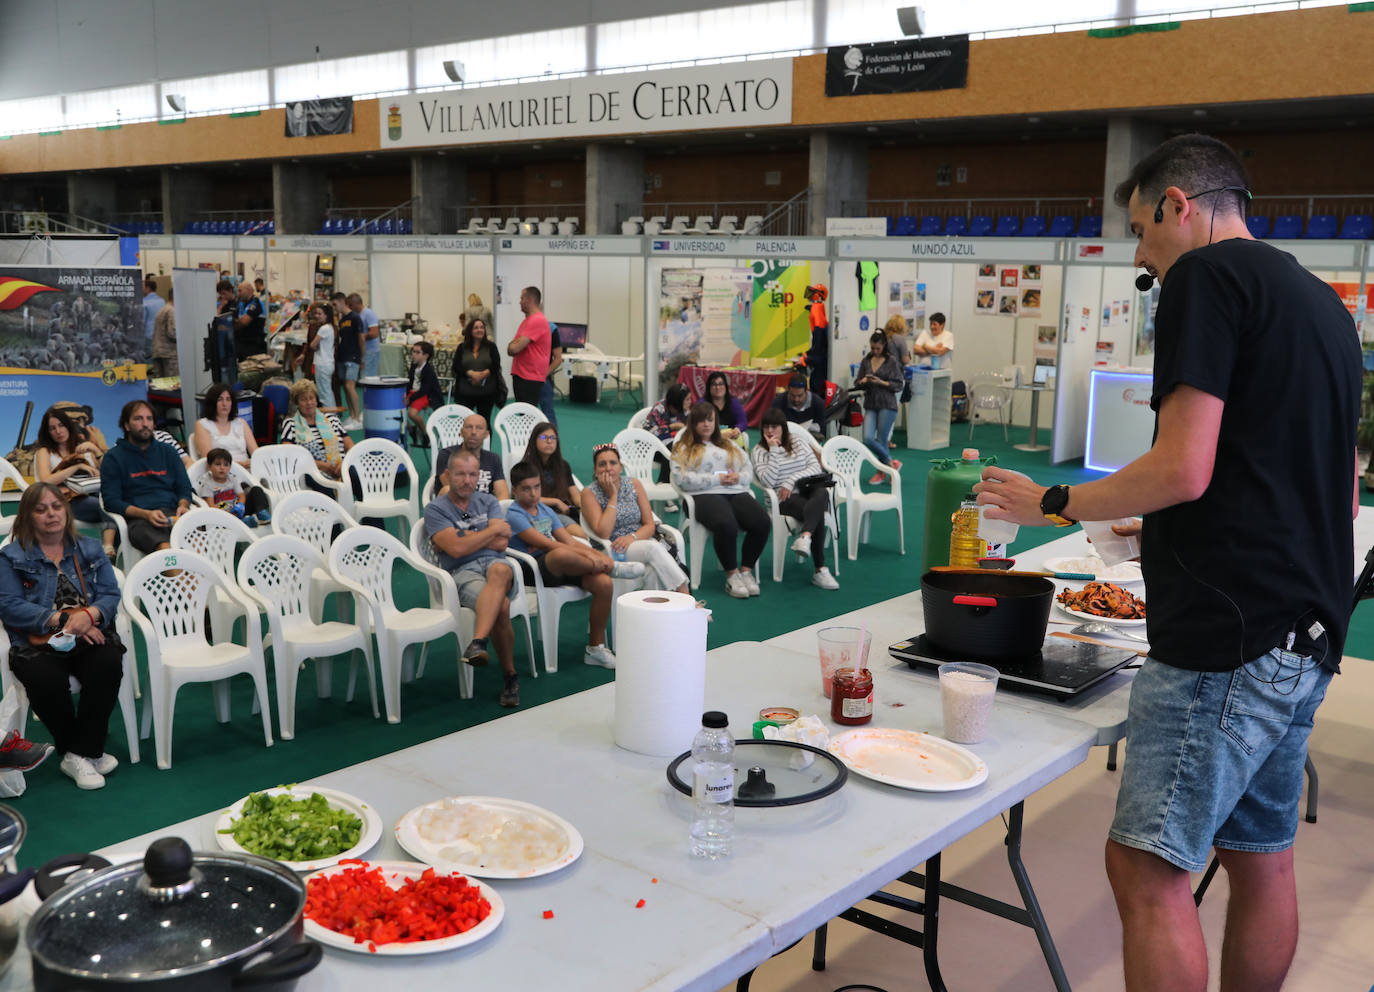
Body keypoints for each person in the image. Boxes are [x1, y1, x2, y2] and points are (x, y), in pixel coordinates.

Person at [972, 133, 1361, 992]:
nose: (1143, 259)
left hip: (1229, 636)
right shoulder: (1321, 303)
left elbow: (1183, 466)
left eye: (1144, 235)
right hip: (1307, 627)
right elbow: (1320, 479)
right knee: (1264, 857)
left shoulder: (1205, 278)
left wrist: (1054, 503)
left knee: (1148, 872)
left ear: (1179, 205)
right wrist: (1187, 533)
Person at [0, 484, 123, 789]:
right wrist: (64, 620)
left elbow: (110, 593)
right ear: (27, 516)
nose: (50, 514)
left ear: (66, 511)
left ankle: (80, 753)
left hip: (87, 633)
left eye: (56, 506)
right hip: (37, 641)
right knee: (44, 679)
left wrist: (90, 616)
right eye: (40, 509)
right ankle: (82, 752)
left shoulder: (91, 548)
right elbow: (9, 606)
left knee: (107, 661)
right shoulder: (10, 557)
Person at [507, 461, 642, 670]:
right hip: (534, 569)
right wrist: (598, 559)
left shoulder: (544, 509)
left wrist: (599, 556)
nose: (533, 494)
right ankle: (613, 567)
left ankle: (595, 649)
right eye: (526, 489)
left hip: (566, 563)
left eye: (537, 487)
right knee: (559, 552)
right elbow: (548, 544)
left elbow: (569, 541)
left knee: (604, 584)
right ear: (514, 490)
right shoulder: (514, 515)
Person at [422, 448, 520, 708]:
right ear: (447, 475)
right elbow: (456, 550)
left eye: (472, 475)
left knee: (500, 569)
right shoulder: (435, 510)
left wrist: (464, 538)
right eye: (460, 474)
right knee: (502, 605)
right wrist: (488, 531)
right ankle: (510, 676)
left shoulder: (487, 501)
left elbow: (501, 542)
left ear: (479, 476)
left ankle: (477, 642)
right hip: (462, 572)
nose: (467, 480)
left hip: (495, 564)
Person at [671, 402, 769, 599]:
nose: (706, 424)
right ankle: (732, 575)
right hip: (702, 495)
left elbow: (748, 470)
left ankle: (746, 571)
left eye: (710, 420)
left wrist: (738, 478)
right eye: (701, 421)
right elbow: (681, 480)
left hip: (734, 491)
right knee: (726, 524)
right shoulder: (684, 447)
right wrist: (716, 479)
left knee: (762, 522)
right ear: (693, 423)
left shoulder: (729, 444)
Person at [581, 443, 689, 595]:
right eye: (602, 464)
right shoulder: (589, 493)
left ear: (620, 467)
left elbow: (649, 525)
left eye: (613, 463)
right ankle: (685, 596)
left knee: (652, 570)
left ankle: (654, 613)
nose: (608, 468)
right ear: (595, 470)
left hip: (639, 541)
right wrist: (613, 497)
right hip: (612, 548)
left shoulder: (634, 484)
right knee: (653, 548)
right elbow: (604, 533)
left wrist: (632, 538)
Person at [752, 409, 838, 590]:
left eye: (774, 427)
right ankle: (820, 569)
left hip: (807, 490)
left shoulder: (798, 441)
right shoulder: (759, 451)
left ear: (783, 428)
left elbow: (815, 467)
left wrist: (791, 481)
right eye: (766, 427)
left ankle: (805, 537)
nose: (769, 431)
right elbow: (768, 481)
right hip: (782, 499)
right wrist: (774, 450)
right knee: (817, 513)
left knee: (822, 493)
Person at [100, 400, 192, 552]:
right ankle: (182, 576)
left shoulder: (168, 451)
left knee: (198, 544)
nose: (145, 424)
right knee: (166, 548)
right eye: (138, 419)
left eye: (149, 419)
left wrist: (183, 505)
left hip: (174, 513)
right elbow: (111, 501)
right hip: (139, 519)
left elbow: (184, 487)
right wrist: (146, 514)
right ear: (126, 425)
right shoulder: (114, 457)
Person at [34, 405, 117, 559]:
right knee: (109, 506)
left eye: (61, 425)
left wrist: (95, 449)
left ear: (68, 426)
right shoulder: (45, 452)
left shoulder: (82, 447)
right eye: (52, 428)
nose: (58, 431)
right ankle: (108, 548)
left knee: (113, 502)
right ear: (47, 432)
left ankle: (110, 551)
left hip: (96, 494)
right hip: (69, 501)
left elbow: (109, 472)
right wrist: (77, 466)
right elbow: (46, 480)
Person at [279, 379, 355, 482]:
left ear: (316, 399)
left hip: (340, 468)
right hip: (313, 471)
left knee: (355, 471)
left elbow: (350, 446)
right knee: (317, 478)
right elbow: (288, 455)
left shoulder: (332, 419)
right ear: (297, 402)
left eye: (312, 398)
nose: (309, 403)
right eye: (303, 399)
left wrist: (344, 463)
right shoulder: (291, 424)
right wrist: (321, 465)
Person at [855, 331, 904, 484]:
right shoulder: (866, 360)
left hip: (887, 403)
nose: (875, 351)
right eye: (872, 348)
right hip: (871, 403)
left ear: (884, 346)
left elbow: (899, 384)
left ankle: (881, 472)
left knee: (882, 440)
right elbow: (857, 382)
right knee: (868, 438)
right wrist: (863, 381)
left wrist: (880, 382)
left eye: (878, 348)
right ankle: (891, 464)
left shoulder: (892, 361)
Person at [519, 421, 584, 536]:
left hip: (564, 511)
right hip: (538, 513)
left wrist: (582, 506)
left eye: (553, 438)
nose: (549, 441)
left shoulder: (563, 465)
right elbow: (525, 497)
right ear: (534, 440)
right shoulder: (526, 466)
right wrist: (556, 502)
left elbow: (574, 494)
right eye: (544, 437)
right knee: (579, 534)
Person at [434, 414, 508, 500]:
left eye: (479, 428)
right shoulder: (447, 455)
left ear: (486, 434)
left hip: (486, 509)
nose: (473, 432)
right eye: (469, 427)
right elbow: (452, 490)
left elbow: (502, 493)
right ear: (461, 432)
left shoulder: (493, 458)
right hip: (455, 508)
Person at [196, 447, 271, 526]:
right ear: (209, 466)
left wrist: (240, 506)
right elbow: (211, 506)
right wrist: (229, 514)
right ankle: (244, 522)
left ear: (230, 467)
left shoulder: (232, 479)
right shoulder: (208, 485)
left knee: (256, 489)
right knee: (221, 519)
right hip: (222, 515)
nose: (222, 468)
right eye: (218, 464)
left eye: (226, 465)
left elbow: (241, 496)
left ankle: (261, 512)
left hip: (237, 509)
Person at [452, 315, 504, 425]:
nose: (479, 330)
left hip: (487, 393)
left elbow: (496, 365)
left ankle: (486, 442)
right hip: (464, 393)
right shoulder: (462, 347)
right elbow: (456, 366)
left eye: (482, 327)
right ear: (470, 331)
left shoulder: (491, 346)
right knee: (464, 424)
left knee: (485, 424)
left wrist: (483, 374)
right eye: (476, 327)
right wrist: (470, 373)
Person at [194, 383, 258, 470]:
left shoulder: (241, 423)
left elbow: (256, 453)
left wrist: (251, 463)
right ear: (212, 403)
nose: (225, 404)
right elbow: (210, 460)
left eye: (228, 399)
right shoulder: (202, 425)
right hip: (220, 474)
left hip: (246, 471)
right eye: (220, 400)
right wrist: (240, 465)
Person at [507, 286, 551, 407]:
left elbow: (514, 349)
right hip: (523, 375)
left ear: (530, 299)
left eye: (522, 298)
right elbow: (513, 346)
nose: (519, 302)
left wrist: (513, 345)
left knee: (526, 417)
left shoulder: (536, 320)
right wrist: (513, 345)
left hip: (529, 377)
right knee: (523, 416)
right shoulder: (527, 321)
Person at [294, 302, 337, 411]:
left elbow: (312, 344)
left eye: (320, 313)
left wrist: (315, 345)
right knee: (326, 390)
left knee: (324, 392)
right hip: (327, 363)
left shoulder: (324, 328)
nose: (317, 316)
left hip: (322, 363)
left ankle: (331, 414)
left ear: (326, 315)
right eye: (316, 313)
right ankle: (331, 414)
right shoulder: (331, 327)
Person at [335, 292, 365, 430]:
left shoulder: (355, 317)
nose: (335, 308)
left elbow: (361, 338)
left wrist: (362, 357)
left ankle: (358, 417)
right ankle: (352, 415)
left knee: (349, 385)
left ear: (342, 302)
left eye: (335, 304)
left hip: (353, 357)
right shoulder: (341, 321)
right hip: (342, 356)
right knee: (345, 387)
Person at [405, 341, 443, 442]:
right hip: (413, 393)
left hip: (425, 395)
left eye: (417, 352)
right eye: (413, 351)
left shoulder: (428, 370)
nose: (414, 354)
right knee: (397, 411)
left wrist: (410, 398)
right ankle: (411, 429)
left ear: (426, 356)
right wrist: (406, 395)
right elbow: (409, 383)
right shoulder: (413, 367)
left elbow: (425, 390)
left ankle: (425, 432)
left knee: (412, 414)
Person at [347, 293, 382, 380]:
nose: (349, 307)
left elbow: (374, 333)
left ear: (357, 303)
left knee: (368, 378)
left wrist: (359, 336)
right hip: (362, 351)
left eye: (350, 305)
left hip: (370, 352)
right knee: (363, 378)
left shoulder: (369, 314)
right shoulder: (357, 315)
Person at [704, 370, 748, 438]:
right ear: (709, 387)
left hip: (730, 437)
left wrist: (737, 429)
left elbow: (743, 422)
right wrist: (717, 435)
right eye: (714, 384)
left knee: (745, 436)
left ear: (726, 386)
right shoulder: (702, 404)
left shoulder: (733, 402)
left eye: (721, 384)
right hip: (709, 438)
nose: (718, 387)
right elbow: (697, 425)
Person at [803, 283, 829, 397]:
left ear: (819, 296)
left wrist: (810, 357)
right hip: (819, 357)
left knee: (816, 389)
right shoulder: (817, 309)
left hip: (819, 360)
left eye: (813, 292)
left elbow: (818, 339)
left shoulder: (817, 309)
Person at [233, 280, 267, 357]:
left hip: (253, 346)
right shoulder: (242, 303)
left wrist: (231, 327)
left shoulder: (255, 303)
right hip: (242, 343)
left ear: (248, 290)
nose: (238, 293)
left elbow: (243, 322)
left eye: (240, 291)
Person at [538, 322, 562, 425]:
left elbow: (558, 358)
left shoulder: (551, 328)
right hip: (525, 380)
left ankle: (551, 440)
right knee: (525, 415)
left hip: (543, 380)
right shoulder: (524, 326)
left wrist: (544, 374)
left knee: (548, 415)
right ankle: (529, 441)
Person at [150, 287, 177, 378]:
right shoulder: (172, 311)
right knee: (172, 383)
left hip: (158, 351)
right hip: (170, 353)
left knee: (160, 383)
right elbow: (172, 333)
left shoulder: (163, 309)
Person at [142, 277, 164, 348]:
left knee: (149, 357)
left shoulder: (144, 303)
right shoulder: (162, 301)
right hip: (161, 336)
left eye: (142, 287)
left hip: (149, 336)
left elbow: (142, 322)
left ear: (148, 288)